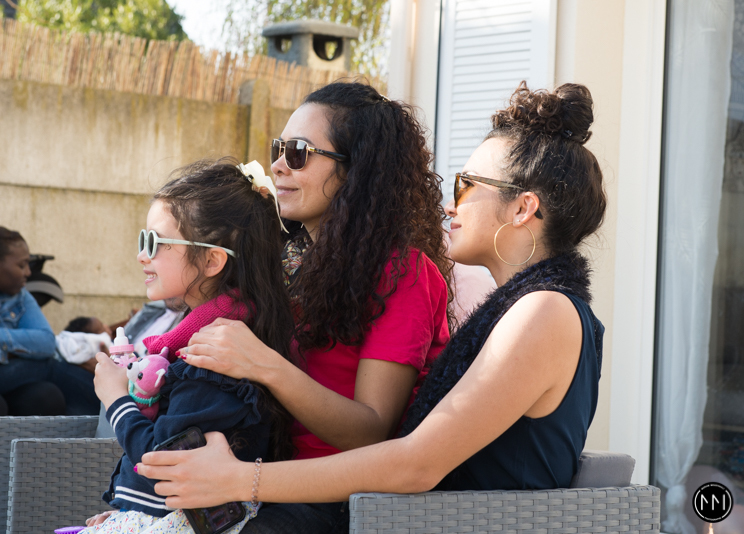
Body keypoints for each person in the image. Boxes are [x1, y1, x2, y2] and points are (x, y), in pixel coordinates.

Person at [135, 81, 607, 524]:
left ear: (522, 208)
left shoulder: (544, 311)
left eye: (465, 185)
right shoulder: (523, 309)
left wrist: (241, 479)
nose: (450, 204)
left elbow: (416, 463)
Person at [144, 82, 453, 532]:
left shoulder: (402, 272)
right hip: (249, 480)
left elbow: (372, 430)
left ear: (354, 170)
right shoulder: (282, 260)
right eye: (279, 149)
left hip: (336, 499)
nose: (276, 165)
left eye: (298, 153)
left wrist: (265, 365)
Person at [84, 159, 297, 534]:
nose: (142, 255)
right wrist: (125, 511)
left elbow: (162, 461)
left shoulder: (213, 356)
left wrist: (116, 399)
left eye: (154, 243)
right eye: (142, 240)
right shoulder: (204, 337)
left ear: (212, 260)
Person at [0, 223, 99, 415]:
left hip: (8, 377)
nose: (28, 272)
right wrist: (15, 353)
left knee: (47, 396)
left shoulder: (18, 294)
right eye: (21, 265)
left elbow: (46, 342)